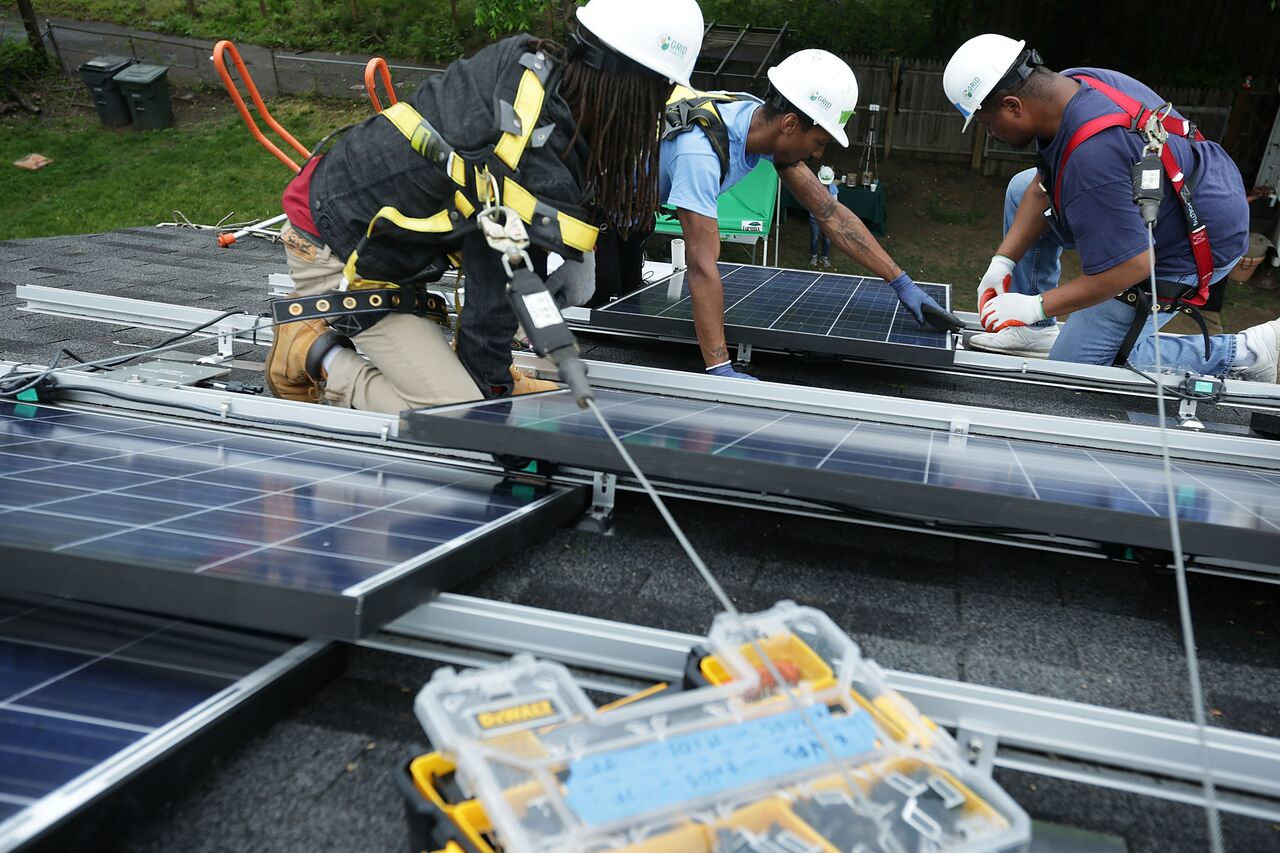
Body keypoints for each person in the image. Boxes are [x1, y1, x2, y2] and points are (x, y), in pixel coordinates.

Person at [264, 0, 706, 410]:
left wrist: (579, 252)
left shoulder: (534, 73)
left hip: (381, 238)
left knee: (480, 387)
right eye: (661, 90)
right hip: (338, 249)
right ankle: (313, 352)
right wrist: (494, 396)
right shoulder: (520, 161)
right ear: (628, 86)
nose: (661, 106)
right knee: (458, 416)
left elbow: (563, 166)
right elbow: (489, 305)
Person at [943, 34, 1279, 382]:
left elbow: (1132, 266)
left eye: (987, 124)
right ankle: (1034, 333)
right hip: (1181, 192)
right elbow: (1042, 186)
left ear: (1013, 106)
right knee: (1019, 188)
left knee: (1072, 368)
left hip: (1197, 239)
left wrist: (1035, 305)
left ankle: (1247, 351)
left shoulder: (1092, 161)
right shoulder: (1071, 85)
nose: (989, 134)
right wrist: (1003, 262)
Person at [659, 49, 959, 380]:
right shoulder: (700, 155)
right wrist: (720, 367)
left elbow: (830, 213)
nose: (817, 154)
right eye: (819, 142)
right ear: (790, 124)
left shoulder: (752, 117)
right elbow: (702, 266)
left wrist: (901, 283)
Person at [809, 165, 838, 269]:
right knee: (815, 237)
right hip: (814, 217)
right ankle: (814, 256)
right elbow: (810, 202)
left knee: (828, 239)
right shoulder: (813, 187)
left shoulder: (833, 188)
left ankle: (824, 257)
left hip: (827, 219)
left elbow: (834, 204)